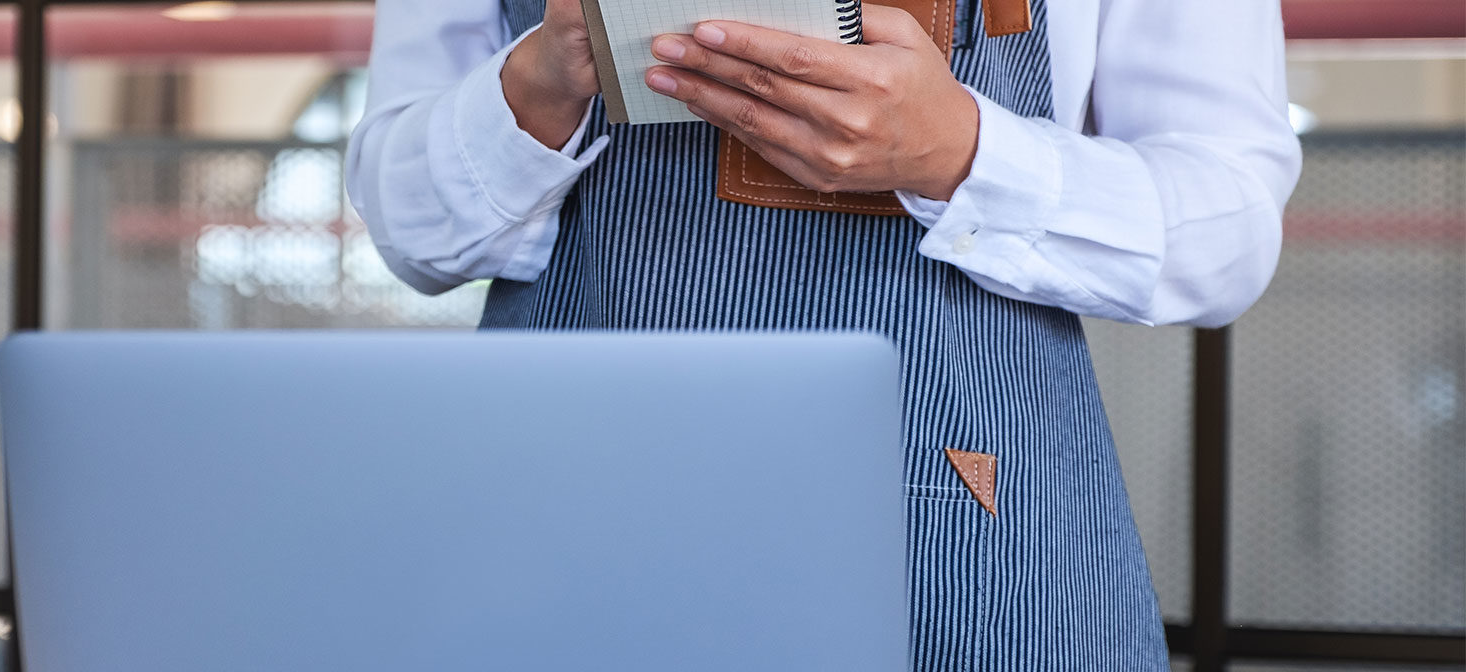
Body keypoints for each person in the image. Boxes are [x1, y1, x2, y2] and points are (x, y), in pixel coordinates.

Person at [345, 0, 1301, 667]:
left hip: (971, 533)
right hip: (556, 513)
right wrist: (541, 81)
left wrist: (963, 155)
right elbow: (410, 229)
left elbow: (1229, 227)